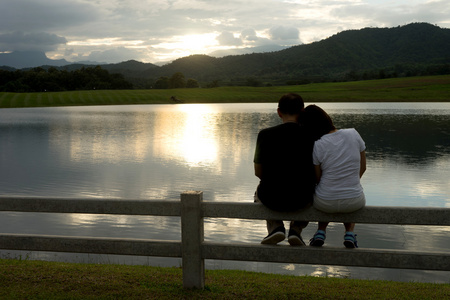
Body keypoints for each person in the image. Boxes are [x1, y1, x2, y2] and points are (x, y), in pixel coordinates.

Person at [253, 93, 315, 246]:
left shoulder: (264, 135)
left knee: (257, 193)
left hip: (271, 198)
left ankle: (276, 227)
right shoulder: (312, 135)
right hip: (302, 199)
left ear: (279, 112)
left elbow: (258, 172)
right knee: (314, 189)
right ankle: (296, 229)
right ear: (302, 111)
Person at [303, 105, 366, 248]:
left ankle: (321, 231)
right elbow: (363, 167)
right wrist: (349, 182)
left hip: (324, 203)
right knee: (346, 195)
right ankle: (349, 233)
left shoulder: (317, 145)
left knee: (325, 191)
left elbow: (318, 178)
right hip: (354, 200)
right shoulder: (353, 134)